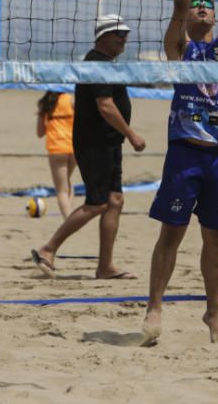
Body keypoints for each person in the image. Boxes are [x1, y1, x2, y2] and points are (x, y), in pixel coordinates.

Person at [142, 0, 218, 344]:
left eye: (208, 4)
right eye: (197, 3)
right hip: (184, 152)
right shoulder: (180, 49)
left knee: (215, 240)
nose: (202, 6)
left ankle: (213, 314)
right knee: (172, 234)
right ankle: (154, 308)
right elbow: (178, 7)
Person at [31, 15, 145, 280]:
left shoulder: (106, 63)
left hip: (108, 142)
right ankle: (48, 249)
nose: (124, 39)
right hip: (95, 144)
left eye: (126, 34)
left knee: (115, 201)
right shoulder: (96, 63)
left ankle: (105, 266)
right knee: (97, 204)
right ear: (104, 36)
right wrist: (132, 135)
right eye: (119, 34)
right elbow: (105, 106)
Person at [36, 90, 77, 219]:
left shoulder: (46, 103)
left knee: (61, 190)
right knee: (67, 183)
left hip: (57, 148)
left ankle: (69, 220)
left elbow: (40, 133)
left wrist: (42, 115)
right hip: (74, 147)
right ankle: (69, 214)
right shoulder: (72, 100)